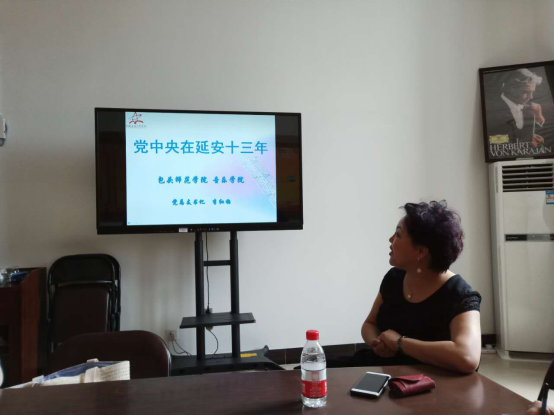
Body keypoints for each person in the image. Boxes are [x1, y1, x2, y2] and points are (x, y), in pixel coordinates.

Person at [339, 201, 481, 374]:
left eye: (398, 235)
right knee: (313, 372)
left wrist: (400, 343)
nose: (390, 240)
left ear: (421, 251)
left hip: (428, 380)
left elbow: (467, 356)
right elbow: (370, 324)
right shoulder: (394, 277)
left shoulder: (460, 294)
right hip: (384, 369)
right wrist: (378, 342)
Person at [485, 68, 546, 148]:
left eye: (532, 92)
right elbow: (491, 139)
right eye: (526, 92)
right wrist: (522, 141)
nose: (531, 97)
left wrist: (539, 118)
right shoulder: (490, 109)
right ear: (510, 89)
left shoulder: (529, 108)